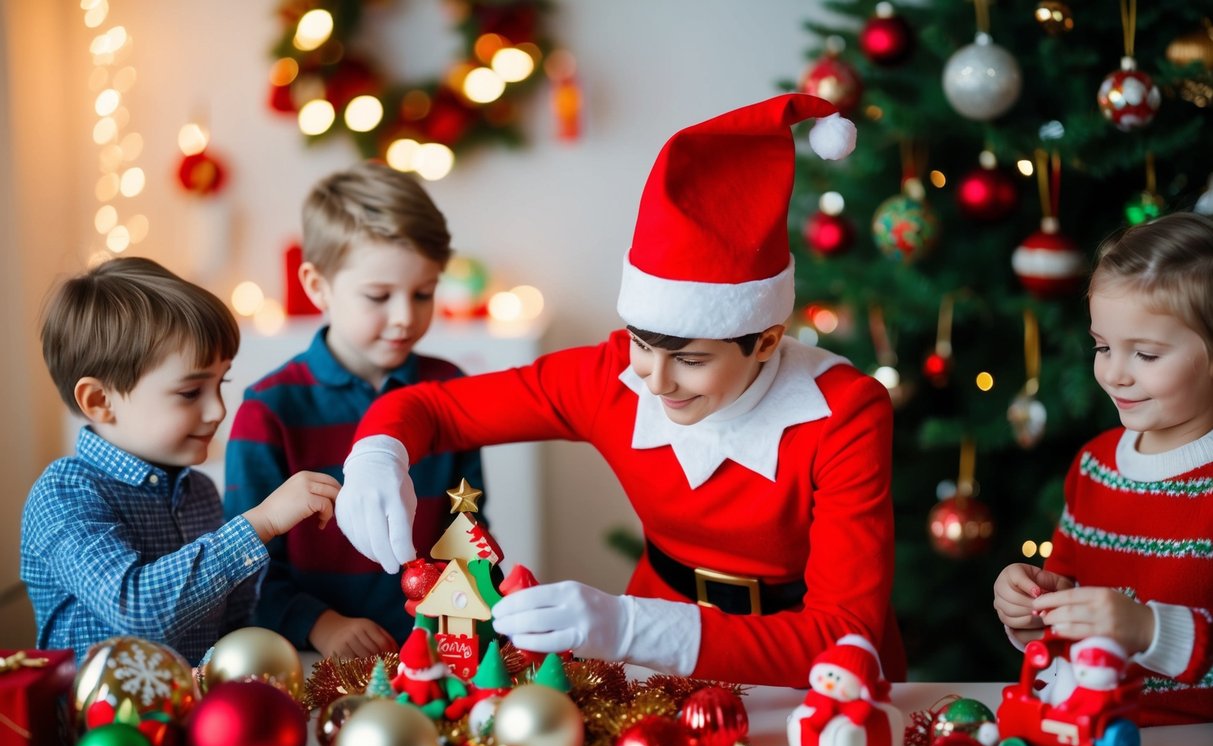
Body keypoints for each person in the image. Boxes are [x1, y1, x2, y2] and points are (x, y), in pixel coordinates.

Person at [334, 93, 905, 687]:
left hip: (817, 681)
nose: (654, 381)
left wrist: (632, 628)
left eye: (689, 358)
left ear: (765, 340)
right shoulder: (614, 376)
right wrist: (379, 452)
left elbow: (844, 634)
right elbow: (431, 407)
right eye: (642, 345)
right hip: (654, 666)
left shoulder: (845, 411)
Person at [224, 160, 485, 659]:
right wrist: (321, 625)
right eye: (378, 296)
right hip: (313, 660)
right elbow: (244, 564)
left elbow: (470, 526)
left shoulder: (448, 387)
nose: (405, 317)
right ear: (318, 285)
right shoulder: (271, 409)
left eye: (424, 293)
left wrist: (465, 615)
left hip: (438, 653)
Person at [22, 257, 339, 665]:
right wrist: (261, 522)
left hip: (196, 718)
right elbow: (137, 613)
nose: (218, 411)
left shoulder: (200, 492)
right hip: (100, 727)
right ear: (100, 401)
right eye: (191, 393)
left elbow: (235, 623)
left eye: (220, 384)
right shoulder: (64, 494)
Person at [993, 212, 1213, 725]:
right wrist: (1031, 612)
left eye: (1147, 354)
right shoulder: (1095, 465)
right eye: (1103, 346)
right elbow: (1068, 608)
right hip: (1086, 729)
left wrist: (1152, 631)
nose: (1114, 373)